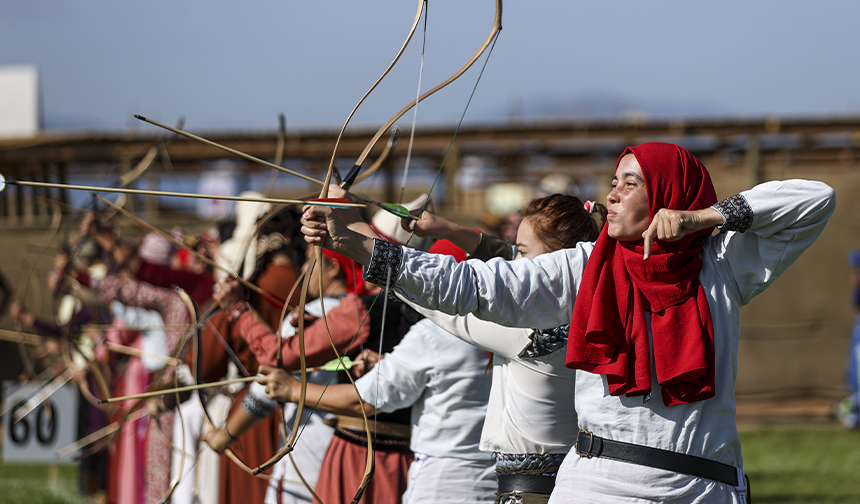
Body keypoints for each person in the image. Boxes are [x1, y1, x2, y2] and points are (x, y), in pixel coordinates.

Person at [300, 142, 836, 503]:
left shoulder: (722, 264)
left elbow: (815, 199)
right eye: (613, 180)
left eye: (631, 182)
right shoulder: (583, 267)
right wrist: (354, 240)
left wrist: (705, 218)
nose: (614, 192)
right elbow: (480, 287)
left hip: (701, 486)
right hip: (598, 484)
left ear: (669, 194)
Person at [394, 194, 605, 504]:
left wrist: (353, 239)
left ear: (556, 264)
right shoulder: (584, 301)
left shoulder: (526, 328)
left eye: (521, 252)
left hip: (530, 493)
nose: (512, 262)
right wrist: (445, 228)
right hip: (563, 482)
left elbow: (438, 299)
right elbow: (512, 259)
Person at [256, 243, 496, 504]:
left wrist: (291, 389)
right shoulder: (505, 331)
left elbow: (363, 400)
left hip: (402, 469)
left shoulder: (433, 335)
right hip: (484, 479)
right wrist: (386, 362)